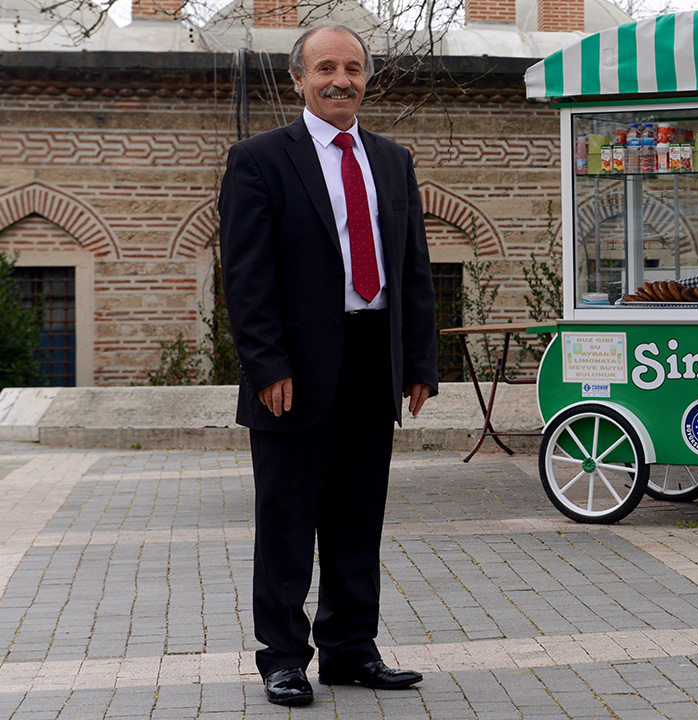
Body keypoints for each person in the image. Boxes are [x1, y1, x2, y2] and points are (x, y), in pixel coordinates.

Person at [218, 22, 438, 707]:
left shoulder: (393, 159)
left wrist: (420, 362)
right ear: (298, 79)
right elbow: (246, 278)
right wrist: (266, 366)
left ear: (366, 78)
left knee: (356, 515)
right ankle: (283, 658)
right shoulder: (258, 159)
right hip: (294, 370)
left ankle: (350, 650)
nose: (340, 79)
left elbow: (413, 269)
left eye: (353, 68)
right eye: (325, 68)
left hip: (374, 359)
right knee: (285, 520)